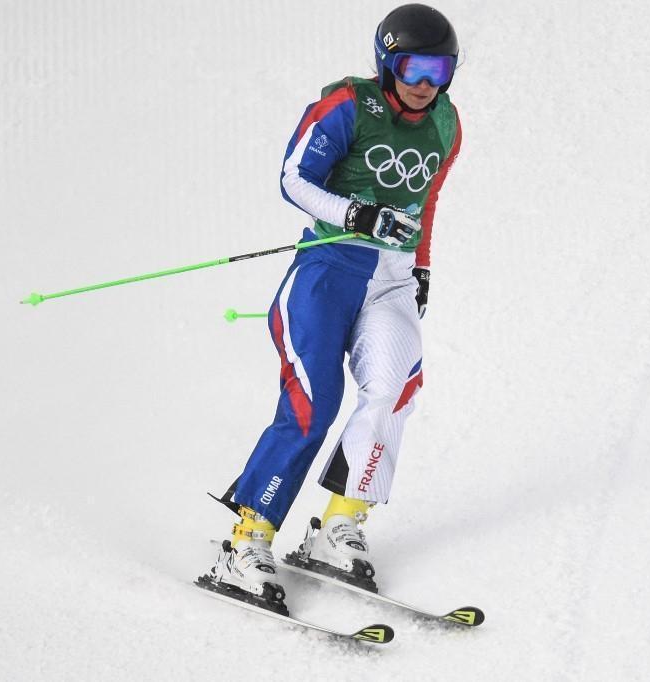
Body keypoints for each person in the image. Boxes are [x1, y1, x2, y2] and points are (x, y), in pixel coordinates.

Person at [201, 3, 462, 608]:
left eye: (440, 70)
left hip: (391, 280)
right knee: (314, 404)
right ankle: (246, 540)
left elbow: (427, 200)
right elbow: (293, 179)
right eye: (414, 68)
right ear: (387, 63)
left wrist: (421, 265)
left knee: (395, 387)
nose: (426, 84)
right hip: (326, 271)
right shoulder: (347, 105)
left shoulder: (447, 123)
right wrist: (353, 213)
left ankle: (339, 525)